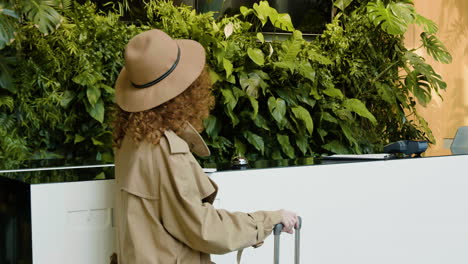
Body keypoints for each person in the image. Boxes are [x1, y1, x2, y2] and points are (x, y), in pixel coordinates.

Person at [112, 29, 298, 264]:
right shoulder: (165, 151)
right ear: (184, 92)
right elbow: (205, 230)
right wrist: (268, 219)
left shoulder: (130, 138)